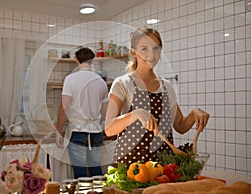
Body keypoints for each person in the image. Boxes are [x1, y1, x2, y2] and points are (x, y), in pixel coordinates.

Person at [104, 27, 209, 165]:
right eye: (144, 49)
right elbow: (109, 128)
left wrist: (193, 114)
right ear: (133, 52)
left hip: (164, 165)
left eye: (156, 48)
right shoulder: (123, 83)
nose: (151, 54)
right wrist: (136, 114)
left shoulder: (166, 86)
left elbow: (180, 126)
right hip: (131, 166)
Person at [56, 47, 108, 178]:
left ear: (76, 61)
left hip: (77, 131)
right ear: (92, 60)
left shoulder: (71, 79)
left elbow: (64, 107)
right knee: (97, 171)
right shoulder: (101, 82)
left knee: (81, 174)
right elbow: (105, 111)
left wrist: (58, 131)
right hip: (96, 132)